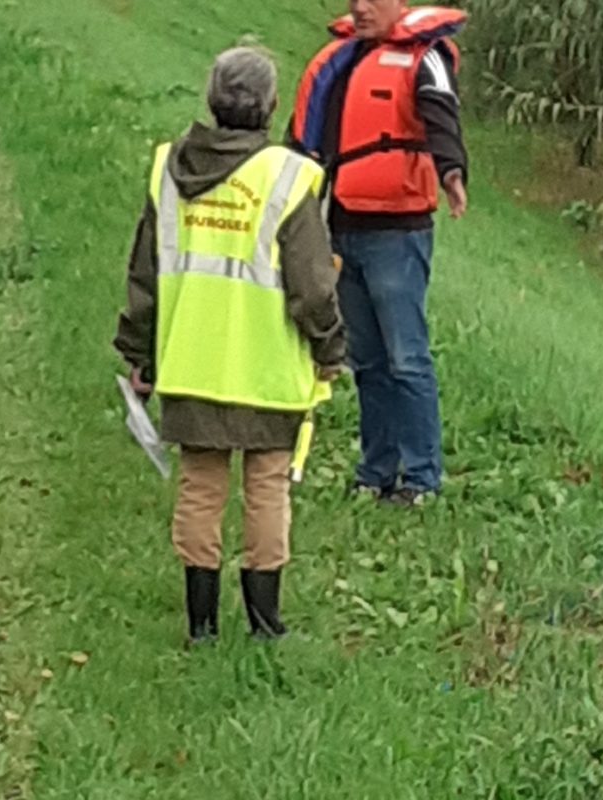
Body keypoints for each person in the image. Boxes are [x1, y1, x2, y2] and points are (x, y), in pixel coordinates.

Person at [114, 47, 345, 644]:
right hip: (266, 371)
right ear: (271, 106)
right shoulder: (290, 178)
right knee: (266, 489)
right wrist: (330, 348)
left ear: (212, 100)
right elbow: (313, 287)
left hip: (190, 366)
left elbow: (146, 272)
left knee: (200, 489)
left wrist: (139, 353)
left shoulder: (169, 169)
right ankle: (266, 624)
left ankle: (202, 626)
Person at [290, 1, 469, 506]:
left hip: (397, 233)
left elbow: (441, 116)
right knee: (366, 360)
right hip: (341, 226)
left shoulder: (424, 56)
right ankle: (375, 471)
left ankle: (422, 478)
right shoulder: (342, 62)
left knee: (406, 357)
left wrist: (452, 172)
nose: (360, 7)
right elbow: (308, 134)